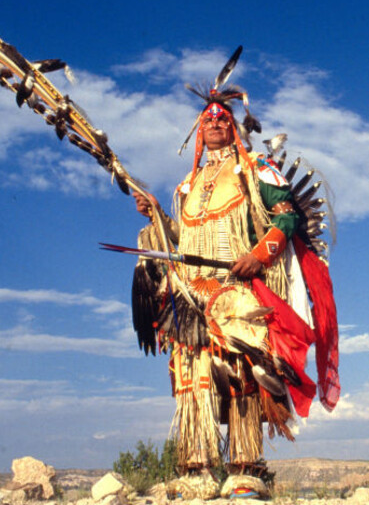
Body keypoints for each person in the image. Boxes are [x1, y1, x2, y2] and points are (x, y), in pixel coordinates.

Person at [131, 83, 338, 499]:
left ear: (233, 127)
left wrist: (259, 257)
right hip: (190, 290)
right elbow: (181, 240)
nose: (213, 124)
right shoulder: (188, 185)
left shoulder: (255, 169)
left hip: (237, 286)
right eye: (206, 120)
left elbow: (286, 218)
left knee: (241, 373)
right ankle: (197, 467)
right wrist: (156, 212)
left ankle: (245, 466)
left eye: (221, 119)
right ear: (197, 130)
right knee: (193, 374)